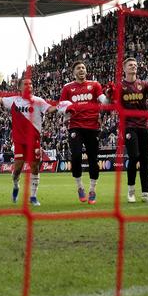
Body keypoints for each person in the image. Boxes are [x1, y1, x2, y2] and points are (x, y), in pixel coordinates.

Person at [0, 77, 59, 206]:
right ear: (19, 87)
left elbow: (50, 109)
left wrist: (60, 105)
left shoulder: (38, 101)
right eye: (25, 84)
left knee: (35, 167)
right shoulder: (14, 100)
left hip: (34, 139)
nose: (29, 85)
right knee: (18, 167)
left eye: (30, 84)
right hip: (19, 140)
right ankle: (15, 184)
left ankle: (33, 196)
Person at [113, 57, 148, 204]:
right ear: (124, 68)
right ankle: (131, 191)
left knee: (145, 160)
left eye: (135, 65)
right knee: (134, 157)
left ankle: (146, 194)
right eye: (130, 65)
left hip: (144, 126)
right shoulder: (119, 86)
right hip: (128, 126)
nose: (133, 67)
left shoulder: (144, 84)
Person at [59, 61, 108, 205]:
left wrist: (110, 95)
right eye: (78, 68)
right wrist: (67, 109)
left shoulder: (95, 85)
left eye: (83, 68)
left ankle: (92, 190)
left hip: (92, 126)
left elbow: (104, 101)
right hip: (75, 126)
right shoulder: (67, 88)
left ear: (86, 71)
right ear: (73, 72)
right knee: (75, 157)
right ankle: (80, 187)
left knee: (93, 159)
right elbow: (60, 106)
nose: (81, 70)